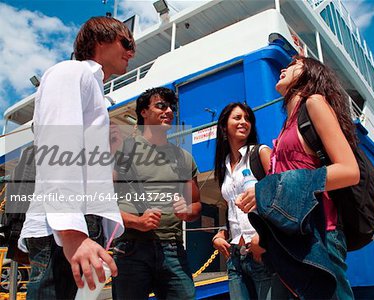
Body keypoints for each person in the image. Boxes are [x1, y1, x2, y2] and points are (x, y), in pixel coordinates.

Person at [18, 16, 136, 299]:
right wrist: (72, 233)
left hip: (76, 225)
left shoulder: (89, 85)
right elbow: (58, 145)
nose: (132, 51)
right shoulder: (72, 72)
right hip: (63, 231)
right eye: (126, 42)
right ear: (100, 40)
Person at [239, 56, 360, 299]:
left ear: (311, 73)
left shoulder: (314, 103)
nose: (284, 67)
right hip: (293, 238)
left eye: (295, 63)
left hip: (321, 233)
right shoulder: (287, 125)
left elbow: (349, 171)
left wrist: (265, 191)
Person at [112, 87, 201, 300]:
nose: (169, 111)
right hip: (131, 249)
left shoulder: (183, 157)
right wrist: (136, 221)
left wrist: (188, 211)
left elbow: (197, 204)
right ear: (143, 112)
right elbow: (102, 201)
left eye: (171, 107)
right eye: (161, 105)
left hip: (172, 248)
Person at [212, 102, 290, 299]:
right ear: (223, 126)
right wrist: (220, 234)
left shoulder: (260, 153)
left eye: (247, 119)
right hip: (235, 256)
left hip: (262, 252)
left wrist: (265, 238)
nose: (243, 122)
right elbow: (232, 207)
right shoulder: (224, 166)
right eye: (237, 118)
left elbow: (285, 194)